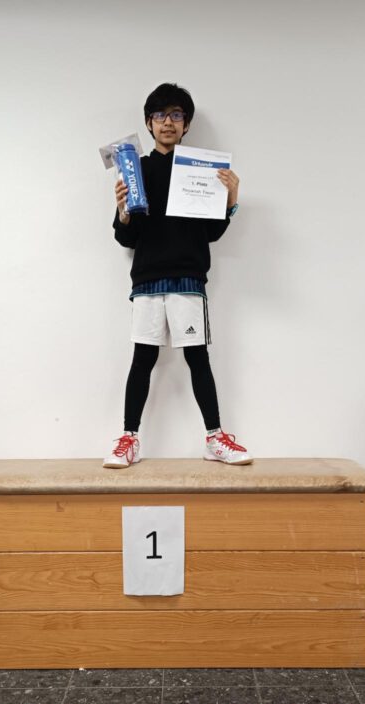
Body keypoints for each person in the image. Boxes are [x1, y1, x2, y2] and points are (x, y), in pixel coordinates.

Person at [104, 83, 250, 469]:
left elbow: (211, 233)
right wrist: (123, 211)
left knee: (197, 357)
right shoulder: (135, 168)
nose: (168, 122)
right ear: (148, 123)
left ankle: (215, 438)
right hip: (147, 278)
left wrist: (231, 200)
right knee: (143, 357)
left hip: (188, 277)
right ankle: (129, 439)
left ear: (186, 124)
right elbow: (126, 238)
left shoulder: (200, 170)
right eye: (160, 115)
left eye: (176, 115)